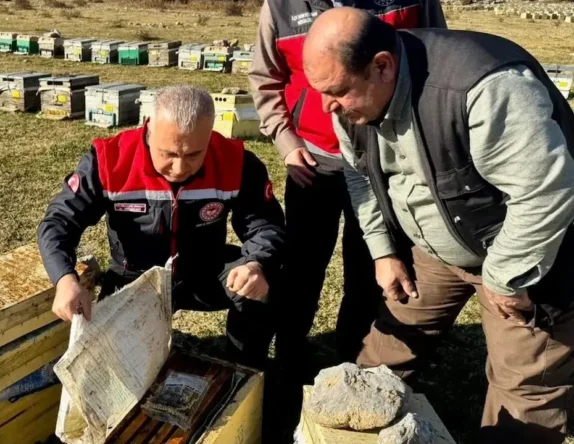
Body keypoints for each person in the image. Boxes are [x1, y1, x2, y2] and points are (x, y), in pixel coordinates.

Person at [303, 7, 574, 443]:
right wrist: (383, 251)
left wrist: (505, 277)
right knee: (380, 359)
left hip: (528, 257)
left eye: (336, 91)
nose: (325, 107)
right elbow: (359, 174)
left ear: (382, 66)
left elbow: (544, 192)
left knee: (524, 397)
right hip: (436, 248)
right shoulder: (348, 100)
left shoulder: (484, 88)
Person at [248, 0, 447, 370]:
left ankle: (354, 356)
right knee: (302, 266)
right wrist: (286, 143)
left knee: (371, 263)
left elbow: (438, 58)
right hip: (313, 162)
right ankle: (290, 351)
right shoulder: (279, 7)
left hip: (385, 160)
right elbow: (265, 78)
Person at [37, 85, 286, 369]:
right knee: (115, 364)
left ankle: (244, 371)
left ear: (211, 135)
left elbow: (266, 225)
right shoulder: (108, 160)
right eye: (168, 153)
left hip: (204, 271)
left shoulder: (237, 161)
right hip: (134, 278)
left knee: (268, 282)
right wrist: (64, 279)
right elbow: (58, 222)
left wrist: (256, 264)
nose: (180, 168)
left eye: (194, 154)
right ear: (149, 130)